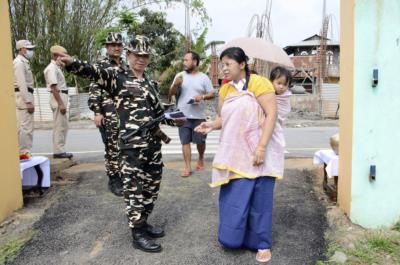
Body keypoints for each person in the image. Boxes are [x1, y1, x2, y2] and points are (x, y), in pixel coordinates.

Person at [57, 35, 183, 253]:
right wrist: (72, 63)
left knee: (151, 188)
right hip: (132, 145)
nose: (141, 59)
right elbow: (95, 72)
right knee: (134, 190)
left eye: (145, 56)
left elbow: (157, 111)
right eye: (137, 55)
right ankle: (137, 233)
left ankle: (143, 222)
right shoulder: (118, 77)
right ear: (129, 54)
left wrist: (174, 118)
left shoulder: (147, 81)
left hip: (153, 145)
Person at [195, 47, 282, 263]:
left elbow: (271, 115)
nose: (223, 68)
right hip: (236, 154)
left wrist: (261, 147)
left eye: (228, 64)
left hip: (258, 152)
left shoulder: (259, 83)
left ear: (242, 64)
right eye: (222, 64)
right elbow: (224, 118)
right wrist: (211, 125)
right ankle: (234, 238)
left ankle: (262, 244)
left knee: (259, 201)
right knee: (234, 200)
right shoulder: (225, 90)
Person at [88, 32, 126, 196]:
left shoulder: (125, 65)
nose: (116, 48)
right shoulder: (101, 64)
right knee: (112, 147)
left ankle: (123, 173)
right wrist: (97, 112)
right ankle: (114, 178)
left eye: (119, 45)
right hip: (108, 111)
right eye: (113, 45)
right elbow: (94, 89)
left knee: (124, 145)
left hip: (125, 112)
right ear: (107, 47)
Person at [169, 51, 215, 177]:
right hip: (182, 115)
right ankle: (187, 167)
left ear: (195, 62)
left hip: (199, 116)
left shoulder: (203, 77)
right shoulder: (180, 76)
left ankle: (200, 157)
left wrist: (202, 97)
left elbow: (212, 94)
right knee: (185, 141)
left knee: (200, 141)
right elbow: (171, 93)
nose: (184, 62)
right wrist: (176, 85)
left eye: (186, 60)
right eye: (183, 60)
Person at [43, 45, 73, 159]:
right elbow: (54, 87)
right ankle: (58, 151)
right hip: (58, 97)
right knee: (59, 125)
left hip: (61, 96)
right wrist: (60, 103)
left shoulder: (57, 68)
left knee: (63, 125)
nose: (64, 58)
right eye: (62, 56)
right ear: (56, 56)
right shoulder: (51, 68)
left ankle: (60, 149)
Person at [13, 40, 36, 158]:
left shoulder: (24, 62)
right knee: (24, 126)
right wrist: (28, 101)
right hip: (24, 97)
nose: (30, 51)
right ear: (21, 49)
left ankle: (26, 151)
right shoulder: (19, 63)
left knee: (27, 126)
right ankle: (23, 152)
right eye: (28, 49)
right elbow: (21, 83)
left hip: (26, 95)